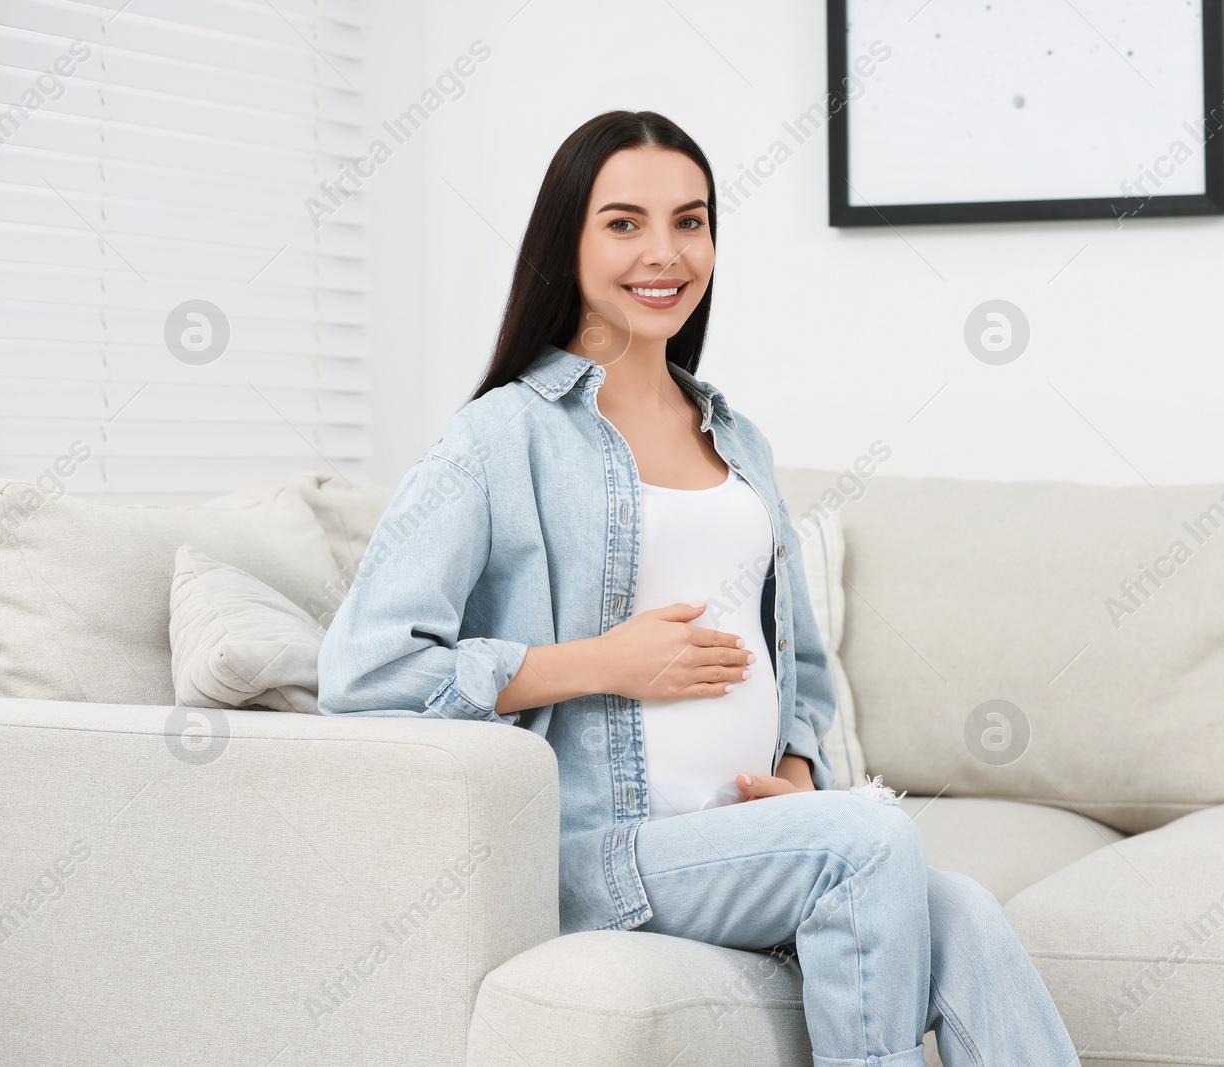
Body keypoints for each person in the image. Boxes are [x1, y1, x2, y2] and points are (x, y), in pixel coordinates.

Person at [317, 109, 1080, 1067]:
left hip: (748, 842)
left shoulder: (736, 435)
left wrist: (797, 777)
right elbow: (365, 669)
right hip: (606, 850)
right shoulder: (499, 439)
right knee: (868, 840)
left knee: (962, 909)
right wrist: (599, 662)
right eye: (625, 222)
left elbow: (796, 664)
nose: (665, 252)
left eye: (691, 220)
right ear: (569, 241)